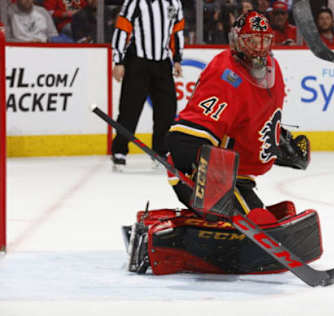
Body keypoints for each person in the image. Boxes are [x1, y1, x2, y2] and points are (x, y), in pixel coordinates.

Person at [125, 10, 319, 275]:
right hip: (202, 175)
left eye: (264, 40)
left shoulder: (273, 70)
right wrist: (209, 180)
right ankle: (162, 238)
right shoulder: (226, 73)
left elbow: (251, 121)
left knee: (266, 221)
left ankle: (193, 225)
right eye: (251, 40)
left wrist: (279, 143)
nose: (259, 47)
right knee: (259, 224)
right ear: (237, 41)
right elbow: (184, 139)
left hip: (238, 177)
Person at [110, 0, 184, 170]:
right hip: (138, 61)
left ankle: (160, 151)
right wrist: (118, 60)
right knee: (130, 109)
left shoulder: (174, 3)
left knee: (167, 110)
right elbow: (122, 28)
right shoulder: (135, 2)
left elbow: (177, 31)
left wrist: (178, 58)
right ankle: (119, 151)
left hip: (163, 63)